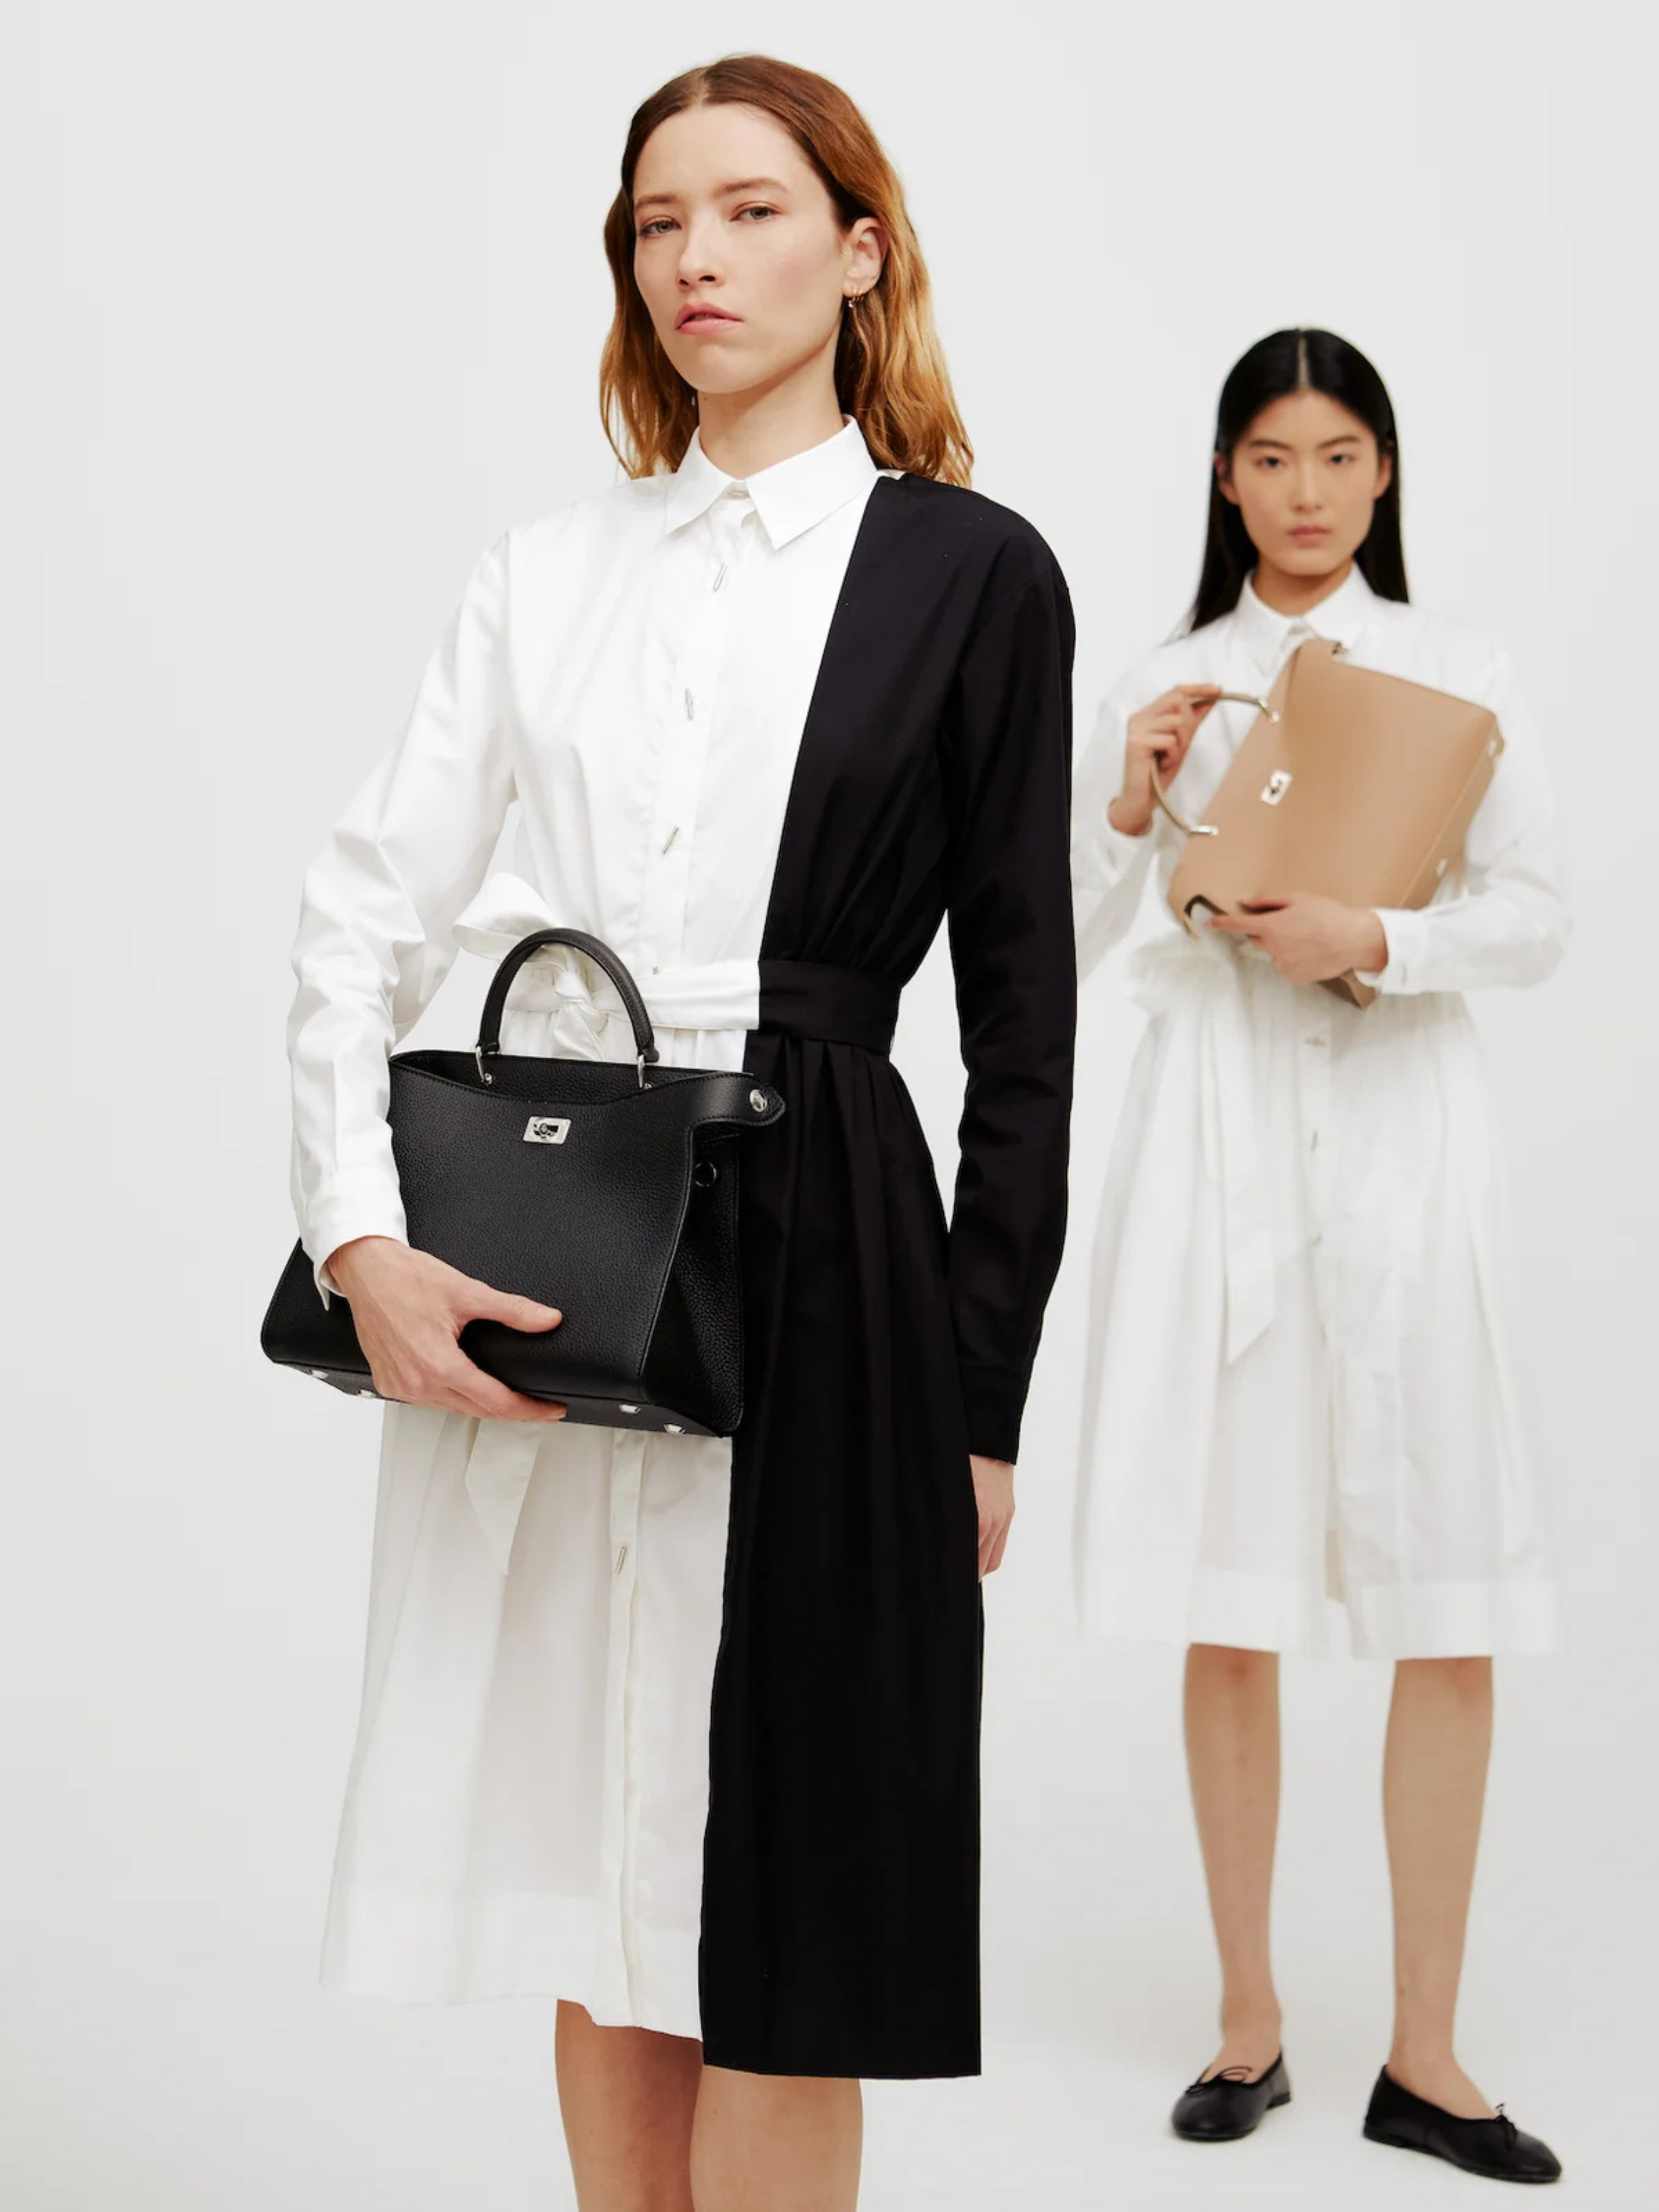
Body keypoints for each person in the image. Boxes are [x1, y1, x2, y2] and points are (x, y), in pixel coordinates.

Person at [283, 54, 1076, 2212]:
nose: (696, 257)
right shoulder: (547, 569)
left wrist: (980, 1397)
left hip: (837, 1260)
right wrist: (359, 1238)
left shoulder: (971, 573)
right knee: (605, 1878)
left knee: (787, 1907)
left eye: (748, 209)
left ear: (860, 248)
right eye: (657, 222)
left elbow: (1024, 1026)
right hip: (567, 1244)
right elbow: (362, 913)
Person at [1070, 329, 1566, 2185]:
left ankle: (1425, 2055)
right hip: (1216, 1148)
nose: (1303, 490)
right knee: (1232, 1589)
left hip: (1399, 1142)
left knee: (1444, 1592)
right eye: (1270, 457)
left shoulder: (1458, 672)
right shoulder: (1164, 682)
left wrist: (1376, 936)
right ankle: (1246, 2024)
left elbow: (1538, 914)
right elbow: (1046, 937)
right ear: (1225, 477)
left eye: (1336, 455)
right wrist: (1125, 803)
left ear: (1382, 473)